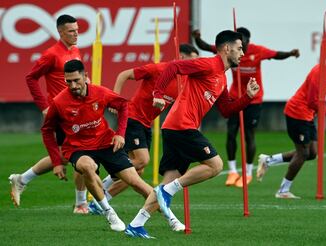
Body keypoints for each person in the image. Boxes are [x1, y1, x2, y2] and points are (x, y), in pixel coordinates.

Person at [124, 30, 260, 238]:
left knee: (168, 180)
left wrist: (247, 97)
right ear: (226, 48)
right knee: (215, 165)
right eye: (240, 48)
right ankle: (167, 192)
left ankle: (136, 224)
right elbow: (174, 66)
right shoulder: (208, 64)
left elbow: (225, 110)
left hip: (175, 128)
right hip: (181, 126)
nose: (243, 53)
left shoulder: (222, 78)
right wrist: (158, 93)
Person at [88, 44, 199, 232]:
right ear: (180, 56)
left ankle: (99, 202)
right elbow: (123, 74)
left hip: (146, 124)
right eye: (192, 59)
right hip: (132, 118)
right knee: (141, 160)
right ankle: (102, 192)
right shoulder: (159, 69)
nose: (194, 64)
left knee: (136, 171)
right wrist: (116, 100)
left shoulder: (184, 82)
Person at [41, 59, 154, 231]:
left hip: (105, 144)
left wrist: (120, 134)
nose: (72, 85)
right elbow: (47, 130)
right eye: (68, 81)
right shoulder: (59, 102)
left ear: (85, 76)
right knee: (87, 166)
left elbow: (123, 105)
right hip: (78, 148)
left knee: (138, 178)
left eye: (76, 80)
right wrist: (56, 162)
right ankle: (108, 212)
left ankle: (172, 219)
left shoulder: (99, 92)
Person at [192, 27, 300, 187]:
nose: (242, 47)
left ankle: (248, 173)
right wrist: (197, 38)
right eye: (240, 44)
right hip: (235, 97)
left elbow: (277, 55)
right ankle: (232, 171)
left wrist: (291, 53)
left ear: (249, 40)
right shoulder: (231, 49)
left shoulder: (258, 51)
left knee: (249, 135)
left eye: (244, 43)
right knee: (231, 133)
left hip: (253, 100)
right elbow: (206, 46)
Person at [8, 14, 88, 213]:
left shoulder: (76, 50)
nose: (76, 34)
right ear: (60, 32)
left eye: (77, 30)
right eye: (71, 31)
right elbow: (31, 78)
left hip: (78, 109)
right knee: (81, 153)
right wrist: (44, 106)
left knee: (66, 155)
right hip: (62, 112)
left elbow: (82, 78)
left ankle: (22, 179)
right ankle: (81, 204)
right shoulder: (51, 54)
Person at [256, 46, 326, 198]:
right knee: (303, 153)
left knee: (312, 153)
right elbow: (312, 102)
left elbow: (316, 103)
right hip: (296, 113)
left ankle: (268, 160)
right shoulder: (320, 73)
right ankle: (283, 191)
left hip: (307, 116)